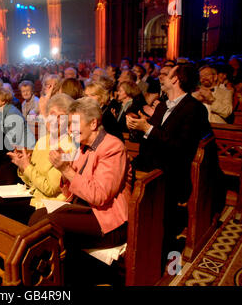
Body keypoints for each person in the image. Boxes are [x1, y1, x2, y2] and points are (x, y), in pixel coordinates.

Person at [126, 63, 220, 263]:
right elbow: (149, 138)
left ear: (176, 79)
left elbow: (180, 146)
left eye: (167, 74)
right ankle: (136, 250)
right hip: (150, 164)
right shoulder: (162, 105)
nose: (162, 77)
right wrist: (136, 127)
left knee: (159, 218)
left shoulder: (195, 109)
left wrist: (148, 129)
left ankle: (166, 261)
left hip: (172, 172)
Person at [28, 97, 131, 281]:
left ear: (93, 123)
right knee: (37, 217)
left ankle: (52, 280)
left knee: (46, 227)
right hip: (85, 209)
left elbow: (99, 196)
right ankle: (50, 278)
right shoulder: (84, 147)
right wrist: (64, 169)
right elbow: (71, 192)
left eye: (74, 124)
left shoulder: (113, 147)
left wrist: (66, 170)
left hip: (108, 222)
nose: (69, 130)